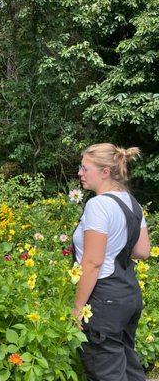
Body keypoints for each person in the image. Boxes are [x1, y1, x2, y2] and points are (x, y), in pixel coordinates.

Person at [72, 143, 151, 381]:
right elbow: (142, 250)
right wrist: (115, 246)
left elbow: (93, 262)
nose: (80, 173)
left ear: (105, 172)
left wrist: (76, 309)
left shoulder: (98, 205)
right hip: (128, 295)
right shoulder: (131, 202)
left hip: (104, 300)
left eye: (85, 168)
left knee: (106, 370)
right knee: (127, 366)